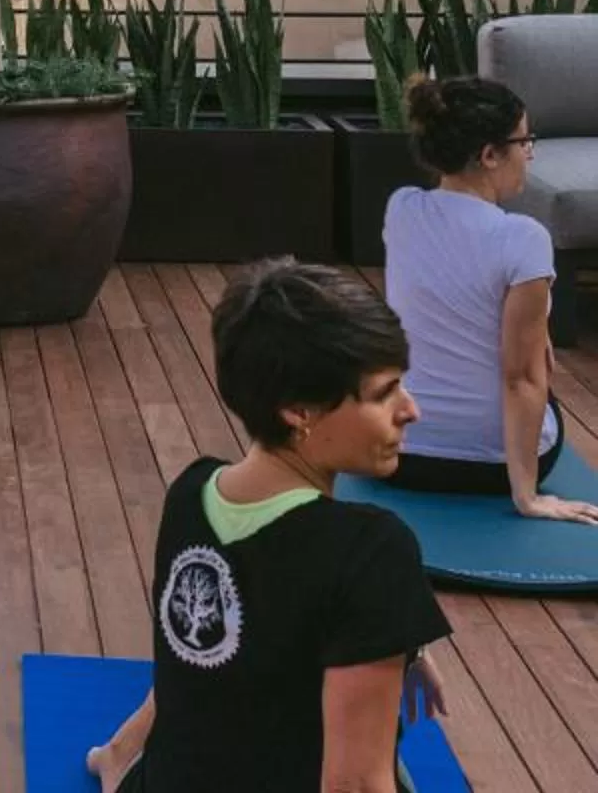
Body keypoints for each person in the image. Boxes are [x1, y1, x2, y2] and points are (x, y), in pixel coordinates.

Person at [88, 259, 456, 793]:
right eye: (384, 393)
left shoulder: (191, 494)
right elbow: (354, 785)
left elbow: (200, 663)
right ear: (298, 410)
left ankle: (120, 752)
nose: (411, 410)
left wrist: (401, 640)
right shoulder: (371, 550)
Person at [382, 74, 598, 521]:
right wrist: (527, 496)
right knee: (536, 361)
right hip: (489, 471)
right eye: (525, 141)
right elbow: (521, 378)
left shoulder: (400, 208)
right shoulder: (524, 239)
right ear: (489, 155)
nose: (530, 153)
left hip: (396, 453)